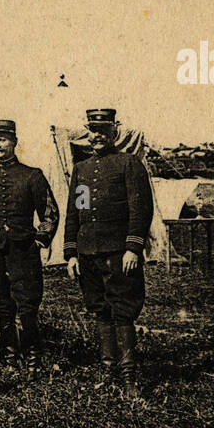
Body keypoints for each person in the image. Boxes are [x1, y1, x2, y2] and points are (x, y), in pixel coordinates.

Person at [63, 109, 153, 398]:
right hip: (88, 251)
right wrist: (72, 252)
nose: (97, 136)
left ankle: (128, 377)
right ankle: (107, 371)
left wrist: (132, 247)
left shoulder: (129, 163)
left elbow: (140, 208)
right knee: (99, 309)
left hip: (118, 251)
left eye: (103, 130)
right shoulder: (82, 169)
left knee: (122, 309)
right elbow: (74, 213)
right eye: (92, 130)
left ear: (114, 132)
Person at [0, 120, 59, 368]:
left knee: (27, 304)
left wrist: (41, 240)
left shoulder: (32, 175)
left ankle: (33, 356)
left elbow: (50, 213)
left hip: (23, 250)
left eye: (2, 140)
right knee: (2, 302)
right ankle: (10, 355)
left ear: (14, 142)